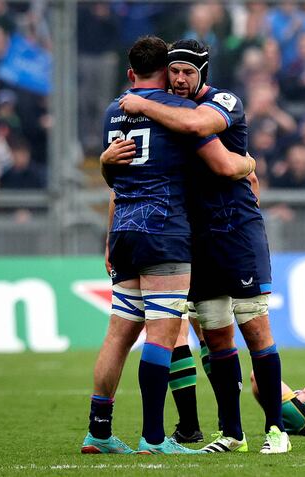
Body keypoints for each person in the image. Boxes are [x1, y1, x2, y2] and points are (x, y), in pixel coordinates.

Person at [108, 39, 289, 454]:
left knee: (255, 327)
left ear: (203, 73)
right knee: (216, 335)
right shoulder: (170, 113)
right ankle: (233, 433)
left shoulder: (218, 104)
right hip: (196, 237)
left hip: (236, 231)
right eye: (174, 71)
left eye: (189, 72)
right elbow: (129, 177)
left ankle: (277, 431)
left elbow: (212, 149)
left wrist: (248, 164)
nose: (180, 79)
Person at [82, 36, 254, 456]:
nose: (178, 80)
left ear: (130, 73)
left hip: (122, 229)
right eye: (173, 73)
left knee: (117, 336)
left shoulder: (112, 111)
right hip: (164, 232)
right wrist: (248, 165)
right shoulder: (181, 111)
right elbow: (220, 162)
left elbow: (114, 176)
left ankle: (99, 432)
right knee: (163, 333)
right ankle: (154, 439)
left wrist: (105, 164)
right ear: (164, 73)